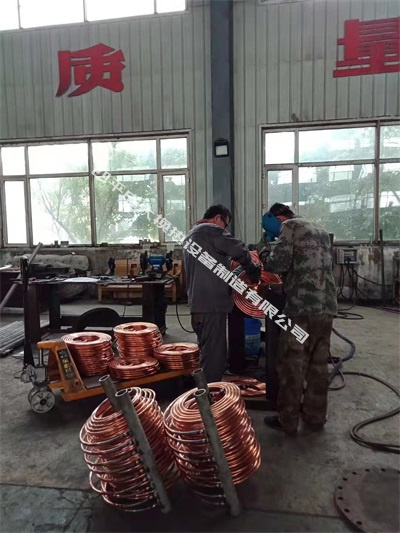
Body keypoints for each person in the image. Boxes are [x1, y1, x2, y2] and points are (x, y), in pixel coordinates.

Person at [258, 203, 337, 435]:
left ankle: (288, 420)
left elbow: (277, 264)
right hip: (327, 307)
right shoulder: (320, 230)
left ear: (278, 217)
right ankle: (315, 418)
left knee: (292, 364)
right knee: (318, 366)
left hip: (301, 309)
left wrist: (263, 247)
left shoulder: (289, 227)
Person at [183, 204, 261, 383]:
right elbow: (239, 250)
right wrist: (252, 270)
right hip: (212, 305)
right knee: (214, 356)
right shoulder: (209, 230)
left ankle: (203, 388)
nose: (225, 230)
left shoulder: (191, 235)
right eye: (225, 225)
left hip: (197, 305)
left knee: (206, 351)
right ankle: (210, 394)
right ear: (218, 218)